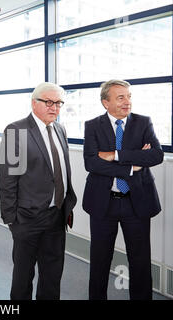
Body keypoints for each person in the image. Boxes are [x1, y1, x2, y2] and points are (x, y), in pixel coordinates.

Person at [82, 79, 164, 300]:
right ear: (105, 103)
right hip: (102, 202)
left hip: (136, 202)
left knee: (139, 260)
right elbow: (91, 163)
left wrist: (115, 155)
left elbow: (156, 155)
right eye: (120, 97)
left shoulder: (143, 122)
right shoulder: (92, 126)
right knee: (99, 260)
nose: (127, 102)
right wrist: (133, 165)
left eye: (129, 96)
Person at [0, 82, 77, 300]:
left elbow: (61, 171)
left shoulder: (60, 129)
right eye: (49, 102)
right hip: (27, 218)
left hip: (56, 215)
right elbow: (7, 178)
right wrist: (11, 219)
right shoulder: (17, 131)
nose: (55, 108)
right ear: (34, 103)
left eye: (59, 103)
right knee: (23, 277)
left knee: (52, 276)